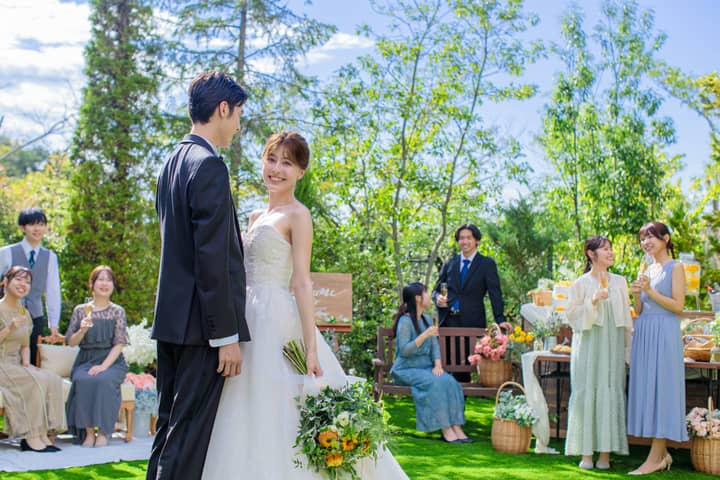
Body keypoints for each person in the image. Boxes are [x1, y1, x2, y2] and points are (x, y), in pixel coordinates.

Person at [202, 131, 408, 479]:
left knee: (281, 403)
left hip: (275, 319)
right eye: (271, 159)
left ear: (300, 171)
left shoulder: (298, 215)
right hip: (245, 315)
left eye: (287, 163)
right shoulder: (254, 216)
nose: (276, 169)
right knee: (242, 402)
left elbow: (301, 281)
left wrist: (311, 349)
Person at [148, 71, 251, 480]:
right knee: (187, 440)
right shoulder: (208, 166)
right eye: (238, 114)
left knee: (167, 433)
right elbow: (211, 260)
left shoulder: (171, 163)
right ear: (223, 109)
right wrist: (225, 337)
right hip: (202, 330)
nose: (238, 125)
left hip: (173, 324)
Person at [564, 236, 632, 470]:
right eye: (605, 249)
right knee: (587, 389)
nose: (610, 252)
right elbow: (572, 317)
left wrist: (628, 349)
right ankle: (586, 454)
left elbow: (626, 319)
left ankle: (605, 454)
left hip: (612, 346)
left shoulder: (620, 282)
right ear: (591, 254)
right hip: (588, 347)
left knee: (610, 389)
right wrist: (592, 300)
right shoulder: (580, 284)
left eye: (611, 249)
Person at [627, 221, 687, 475]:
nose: (646, 242)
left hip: (665, 332)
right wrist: (636, 294)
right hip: (644, 332)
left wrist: (649, 291)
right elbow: (639, 311)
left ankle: (655, 456)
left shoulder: (676, 267)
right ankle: (662, 455)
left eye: (650, 237)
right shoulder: (646, 269)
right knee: (648, 389)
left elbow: (678, 306)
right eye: (642, 239)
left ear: (666, 239)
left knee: (663, 390)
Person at [390, 282, 469, 444]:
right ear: (418, 298)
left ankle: (456, 426)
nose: (428, 296)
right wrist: (424, 335)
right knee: (435, 383)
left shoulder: (427, 319)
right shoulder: (405, 321)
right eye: (426, 293)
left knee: (450, 382)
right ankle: (445, 429)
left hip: (426, 368)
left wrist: (438, 366)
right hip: (406, 369)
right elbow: (404, 351)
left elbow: (435, 347)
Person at [0, 266, 65, 452]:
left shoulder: (24, 312)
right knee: (34, 381)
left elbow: (25, 345)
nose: (23, 284)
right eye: (18, 279)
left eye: (27, 281)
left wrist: (27, 364)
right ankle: (30, 436)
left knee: (51, 378)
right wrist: (9, 328)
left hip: (15, 364)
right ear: (6, 281)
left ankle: (45, 433)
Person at [65, 265, 129, 447]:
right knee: (82, 379)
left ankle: (103, 432)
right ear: (92, 284)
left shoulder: (117, 311)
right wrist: (82, 330)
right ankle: (88, 433)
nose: (104, 283)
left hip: (112, 361)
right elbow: (71, 342)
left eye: (109, 280)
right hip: (85, 359)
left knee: (103, 380)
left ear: (113, 285)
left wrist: (103, 367)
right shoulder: (80, 310)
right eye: (100, 279)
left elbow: (119, 344)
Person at [432, 223, 505, 381]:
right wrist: (437, 298)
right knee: (445, 367)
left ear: (477, 240)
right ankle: (448, 396)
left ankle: (461, 397)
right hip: (448, 322)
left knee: (464, 369)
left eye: (468, 238)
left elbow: (495, 294)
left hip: (472, 323)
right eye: (461, 238)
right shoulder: (449, 264)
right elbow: (435, 290)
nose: (464, 241)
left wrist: (500, 319)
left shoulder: (486, 264)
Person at [0, 207, 63, 365]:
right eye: (32, 225)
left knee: (32, 360)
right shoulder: (6, 252)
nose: (37, 229)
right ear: (22, 227)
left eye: (41, 225)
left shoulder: (50, 257)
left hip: (35, 316)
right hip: (6, 314)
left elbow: (53, 291)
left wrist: (53, 324)